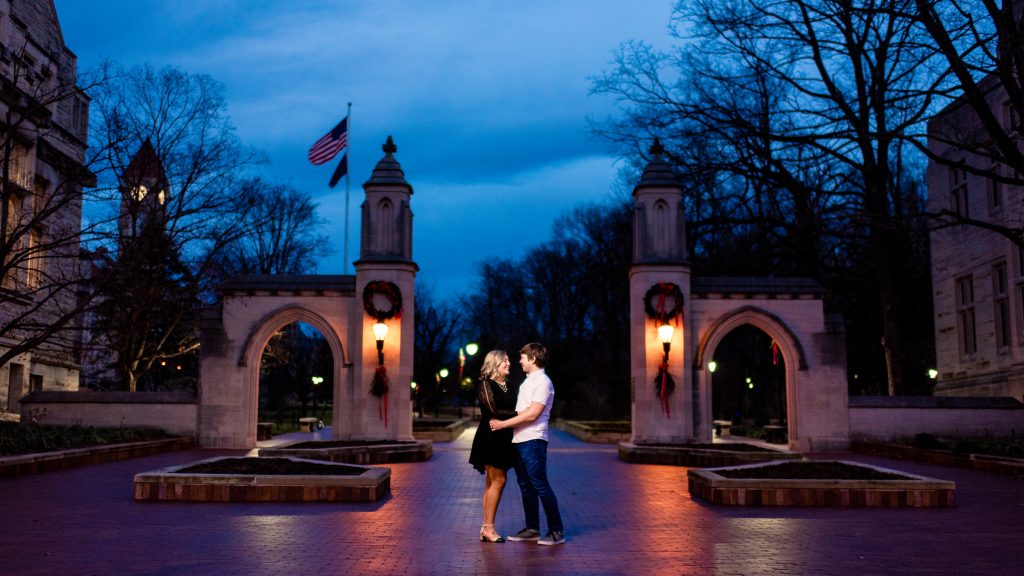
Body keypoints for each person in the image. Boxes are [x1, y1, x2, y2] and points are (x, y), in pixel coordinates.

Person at [490, 342, 565, 546]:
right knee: (525, 486)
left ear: (532, 359)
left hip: (533, 440)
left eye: (523, 357)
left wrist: (503, 424)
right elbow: (522, 411)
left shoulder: (543, 382)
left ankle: (556, 531)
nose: (519, 361)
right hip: (520, 440)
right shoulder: (528, 381)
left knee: (540, 484)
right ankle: (532, 528)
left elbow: (532, 414)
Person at [468, 350, 518, 543]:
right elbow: (492, 411)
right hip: (491, 435)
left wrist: (517, 414)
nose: (508, 363)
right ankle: (489, 528)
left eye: (509, 360)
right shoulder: (485, 384)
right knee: (499, 481)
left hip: (506, 435)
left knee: (492, 483)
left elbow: (514, 409)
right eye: (504, 360)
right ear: (494, 363)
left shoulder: (511, 386)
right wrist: (519, 414)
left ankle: (485, 528)